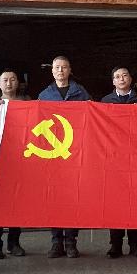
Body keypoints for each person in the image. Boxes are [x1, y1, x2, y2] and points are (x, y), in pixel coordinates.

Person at [38, 55, 91, 258]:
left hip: (74, 153)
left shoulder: (81, 93)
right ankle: (56, 242)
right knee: (54, 198)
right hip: (52, 155)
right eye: (57, 67)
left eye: (64, 67)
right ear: (52, 71)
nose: (60, 70)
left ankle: (71, 242)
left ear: (70, 70)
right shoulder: (44, 95)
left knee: (72, 198)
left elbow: (92, 119)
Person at [0, 69, 31, 259]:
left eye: (12, 80)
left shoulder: (27, 102)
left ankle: (14, 242)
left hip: (20, 161)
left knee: (16, 202)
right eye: (5, 80)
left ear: (18, 82)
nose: (9, 83)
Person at [100, 67, 137, 259]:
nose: (121, 79)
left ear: (131, 78)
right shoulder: (105, 102)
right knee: (116, 203)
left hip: (136, 160)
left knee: (136, 203)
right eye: (117, 77)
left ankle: (136, 246)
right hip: (114, 160)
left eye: (124, 75)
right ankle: (115, 245)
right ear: (113, 81)